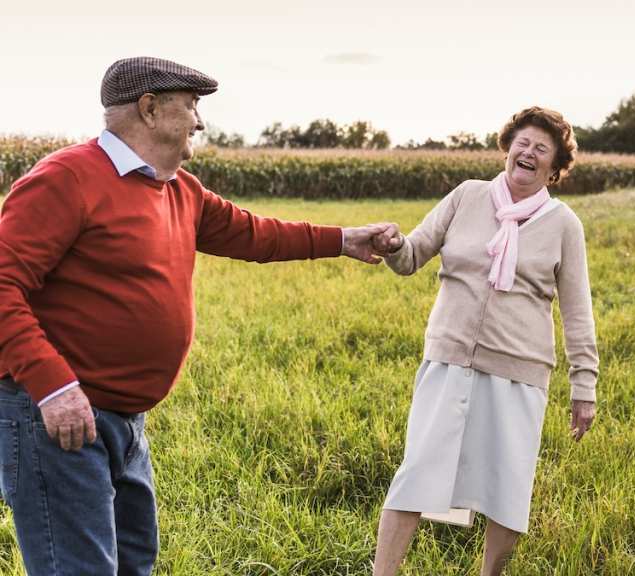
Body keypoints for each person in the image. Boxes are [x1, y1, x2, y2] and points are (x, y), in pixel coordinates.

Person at [0, 56, 390, 576]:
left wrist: (343, 240)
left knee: (135, 561)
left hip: (124, 421)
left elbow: (255, 234)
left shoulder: (179, 189)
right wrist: (52, 387)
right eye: (191, 106)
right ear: (150, 108)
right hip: (57, 417)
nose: (200, 122)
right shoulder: (68, 177)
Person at [371, 106, 599, 576]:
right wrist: (394, 247)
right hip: (449, 360)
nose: (528, 152)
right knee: (415, 476)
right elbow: (414, 254)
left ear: (554, 169)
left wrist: (584, 385)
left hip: (520, 374)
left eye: (542, 148)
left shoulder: (563, 225)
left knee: (506, 491)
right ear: (508, 147)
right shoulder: (468, 197)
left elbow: (577, 311)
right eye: (523, 142)